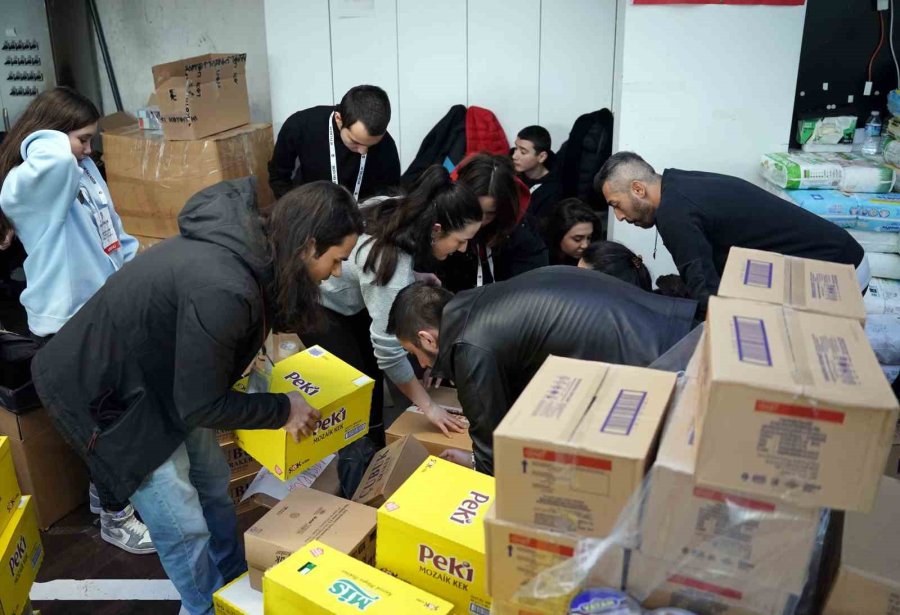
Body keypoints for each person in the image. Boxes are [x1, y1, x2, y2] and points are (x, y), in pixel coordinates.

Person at [30, 178, 364, 614]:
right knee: (183, 522)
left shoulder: (256, 252)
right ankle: (204, 606)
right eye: (337, 260)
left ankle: (231, 584)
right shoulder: (225, 287)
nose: (337, 273)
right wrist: (283, 408)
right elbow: (202, 405)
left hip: (163, 378)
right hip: (110, 397)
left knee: (210, 480)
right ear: (308, 244)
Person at [0, 87, 152, 555]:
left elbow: (112, 233)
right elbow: (55, 161)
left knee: (116, 415)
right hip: (66, 323)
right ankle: (114, 516)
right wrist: (50, 139)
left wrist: (137, 274)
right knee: (103, 424)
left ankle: (104, 496)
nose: (89, 150)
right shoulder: (28, 183)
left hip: (105, 310)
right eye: (82, 138)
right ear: (51, 133)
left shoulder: (82, 168)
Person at [387, 268, 698, 474]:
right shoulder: (475, 303)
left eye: (415, 353)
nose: (423, 365)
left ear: (427, 338)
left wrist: (475, 466)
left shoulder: (470, 346)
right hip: (671, 326)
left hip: (657, 361)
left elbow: (491, 450)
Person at [306, 165, 483, 489]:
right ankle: (358, 491)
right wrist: (428, 407)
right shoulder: (392, 267)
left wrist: (414, 280)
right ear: (437, 228)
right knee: (358, 395)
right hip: (321, 304)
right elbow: (388, 351)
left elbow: (370, 273)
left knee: (370, 386)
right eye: (460, 241)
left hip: (354, 297)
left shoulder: (397, 207)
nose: (462, 250)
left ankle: (370, 462)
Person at [594, 152, 869, 317]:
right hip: (839, 256)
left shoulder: (675, 213)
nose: (618, 217)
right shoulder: (677, 182)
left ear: (638, 189)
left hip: (834, 271)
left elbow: (705, 289)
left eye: (617, 205)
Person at [436, 153, 548, 292]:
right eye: (473, 211)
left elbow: (532, 282)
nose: (480, 220)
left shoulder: (519, 231)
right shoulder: (442, 221)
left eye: (490, 213)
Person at [268, 85, 401, 200]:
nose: (363, 151)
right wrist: (295, 211)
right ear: (339, 119)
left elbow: (390, 195)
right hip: (311, 212)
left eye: (371, 145)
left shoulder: (386, 144)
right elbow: (279, 177)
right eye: (355, 142)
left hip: (363, 216)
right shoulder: (300, 126)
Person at [512, 125, 560, 220]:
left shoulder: (553, 190)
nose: (514, 156)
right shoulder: (508, 171)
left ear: (541, 157)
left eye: (523, 152)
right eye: (516, 148)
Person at [543, 198, 599, 265]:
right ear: (558, 235)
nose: (585, 245)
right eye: (577, 239)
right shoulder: (539, 258)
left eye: (589, 238)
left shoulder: (588, 261)